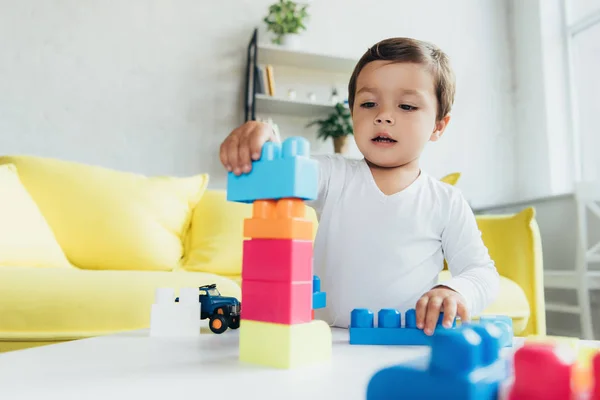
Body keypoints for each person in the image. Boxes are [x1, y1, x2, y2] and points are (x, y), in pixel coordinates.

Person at [219, 37, 500, 335]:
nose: (383, 116)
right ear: (352, 113)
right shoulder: (332, 175)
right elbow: (282, 173)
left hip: (406, 342)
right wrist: (261, 135)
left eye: (406, 105)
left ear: (438, 125)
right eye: (368, 103)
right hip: (328, 341)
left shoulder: (446, 201)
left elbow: (481, 272)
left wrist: (454, 291)